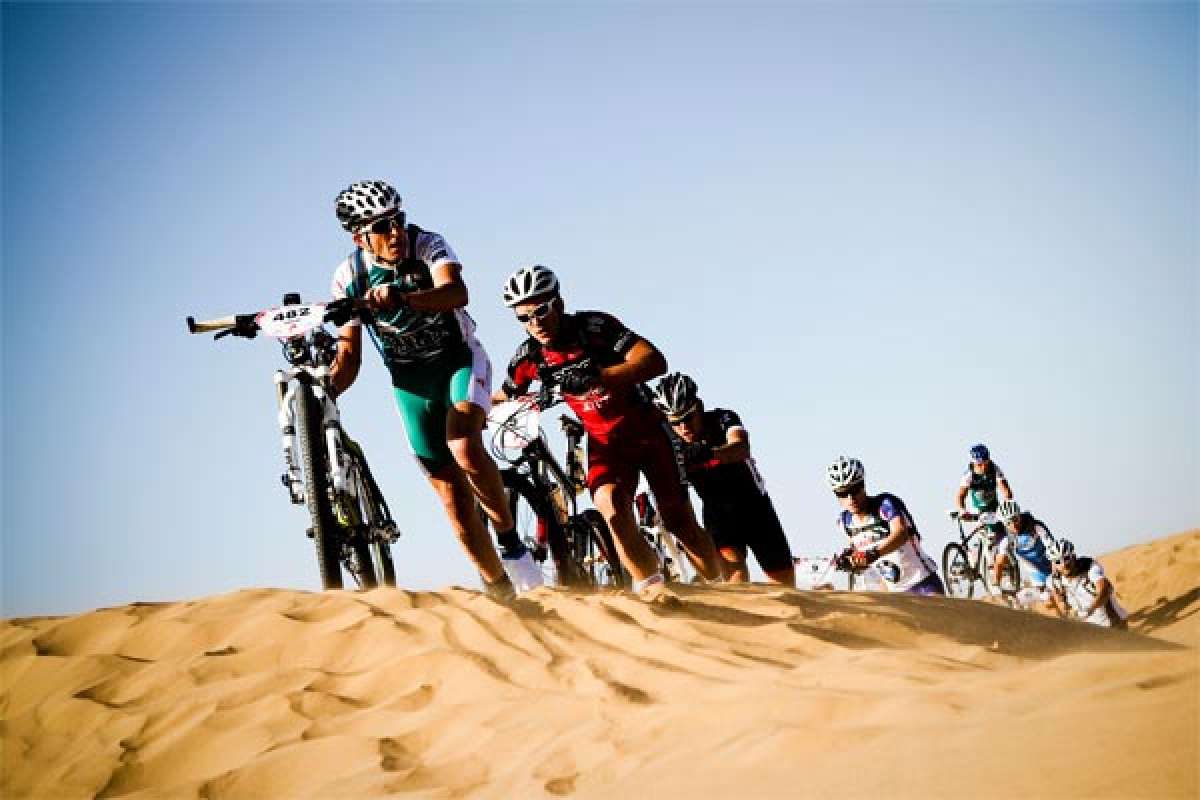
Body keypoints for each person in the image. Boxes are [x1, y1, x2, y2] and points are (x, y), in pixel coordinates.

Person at [325, 180, 540, 602]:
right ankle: (500, 590)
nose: (396, 232)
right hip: (410, 383)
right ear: (359, 236)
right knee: (451, 498)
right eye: (383, 226)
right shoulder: (348, 277)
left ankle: (511, 542)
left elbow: (456, 292)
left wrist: (405, 297)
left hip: (458, 362)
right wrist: (324, 393)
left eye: (399, 220)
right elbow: (350, 359)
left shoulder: (428, 244)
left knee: (463, 445)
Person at [494, 265, 722, 601]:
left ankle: (724, 591)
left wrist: (600, 376)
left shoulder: (595, 327)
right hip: (605, 443)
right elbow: (503, 394)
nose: (535, 323)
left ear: (559, 302)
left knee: (677, 520)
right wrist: (466, 410)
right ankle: (653, 590)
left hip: (648, 431)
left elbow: (654, 361)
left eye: (541, 310)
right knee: (610, 506)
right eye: (523, 317)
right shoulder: (530, 356)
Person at [652, 372, 796, 585]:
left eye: (688, 417)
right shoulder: (669, 441)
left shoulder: (722, 419)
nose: (684, 427)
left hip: (756, 508)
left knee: (784, 584)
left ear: (699, 407)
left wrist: (709, 453)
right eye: (676, 422)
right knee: (736, 579)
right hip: (718, 514)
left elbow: (741, 447)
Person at [826, 456, 944, 595]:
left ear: (863, 485)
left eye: (855, 489)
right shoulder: (844, 521)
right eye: (843, 493)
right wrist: (850, 562)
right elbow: (862, 559)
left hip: (923, 584)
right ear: (836, 495)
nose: (851, 498)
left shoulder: (885, 503)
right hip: (892, 594)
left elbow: (901, 533)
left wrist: (873, 553)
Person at [1047, 539, 1128, 629]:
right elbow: (1061, 604)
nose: (1064, 565)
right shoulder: (1053, 581)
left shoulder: (1090, 567)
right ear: (1053, 564)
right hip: (1090, 630)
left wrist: (1090, 610)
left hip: (1114, 623)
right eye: (1058, 561)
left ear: (1073, 556)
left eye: (1066, 558)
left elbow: (1104, 589)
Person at [994, 499, 1055, 605]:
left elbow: (1054, 550)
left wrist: (1057, 574)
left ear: (1020, 516)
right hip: (1036, 573)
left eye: (1015, 519)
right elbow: (999, 562)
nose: (1013, 525)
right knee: (1046, 601)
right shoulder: (1006, 538)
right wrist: (996, 584)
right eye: (1008, 522)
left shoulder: (1035, 526)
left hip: (1052, 566)